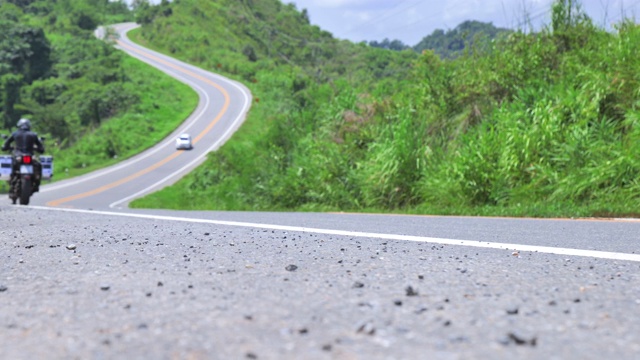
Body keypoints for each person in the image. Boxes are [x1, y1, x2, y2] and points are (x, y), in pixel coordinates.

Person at [1, 118, 45, 192]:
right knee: (39, 166)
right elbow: (41, 148)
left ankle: (11, 180)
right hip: (30, 156)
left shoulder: (15, 134)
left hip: (18, 156)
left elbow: (5, 145)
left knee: (12, 166)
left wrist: (5, 147)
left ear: (19, 125)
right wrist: (38, 149)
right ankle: (37, 184)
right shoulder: (33, 135)